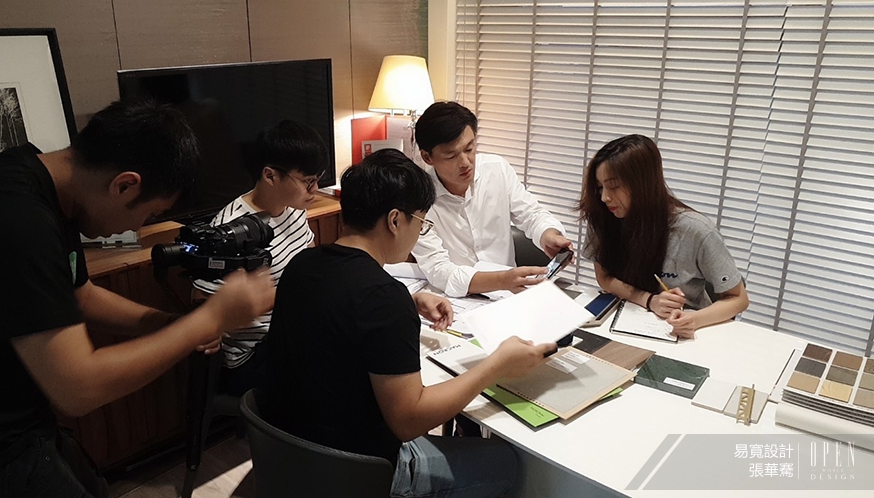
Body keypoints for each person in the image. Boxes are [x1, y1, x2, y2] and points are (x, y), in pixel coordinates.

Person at [0, 99, 275, 498]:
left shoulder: (49, 187)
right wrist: (208, 320)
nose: (140, 226)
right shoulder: (19, 220)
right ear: (124, 185)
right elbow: (77, 388)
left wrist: (170, 324)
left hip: (27, 419)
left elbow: (80, 296)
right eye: (150, 214)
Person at [264, 149, 555, 497]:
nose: (419, 233)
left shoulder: (303, 265)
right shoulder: (383, 299)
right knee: (505, 462)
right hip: (358, 471)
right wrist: (497, 365)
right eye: (422, 223)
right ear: (395, 220)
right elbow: (409, 420)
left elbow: (340, 308)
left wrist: (408, 299)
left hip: (289, 453)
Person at [192, 120, 328, 396]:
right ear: (270, 175)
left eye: (317, 179)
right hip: (253, 353)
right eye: (307, 181)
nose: (315, 189)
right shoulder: (232, 229)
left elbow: (309, 267)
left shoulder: (294, 209)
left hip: (293, 332)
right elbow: (201, 299)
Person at [578, 134, 749, 339]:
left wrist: (694, 320)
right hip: (622, 323)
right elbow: (604, 277)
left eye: (613, 186)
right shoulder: (604, 217)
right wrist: (649, 300)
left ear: (643, 183)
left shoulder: (695, 230)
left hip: (679, 331)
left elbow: (738, 299)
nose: (605, 197)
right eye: (600, 187)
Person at [411, 101, 573, 297]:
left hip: (509, 296)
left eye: (469, 149)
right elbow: (438, 269)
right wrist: (501, 281)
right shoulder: (416, 199)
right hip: (455, 300)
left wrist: (548, 234)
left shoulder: (497, 169)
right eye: (451, 156)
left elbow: (532, 214)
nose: (465, 163)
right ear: (427, 157)